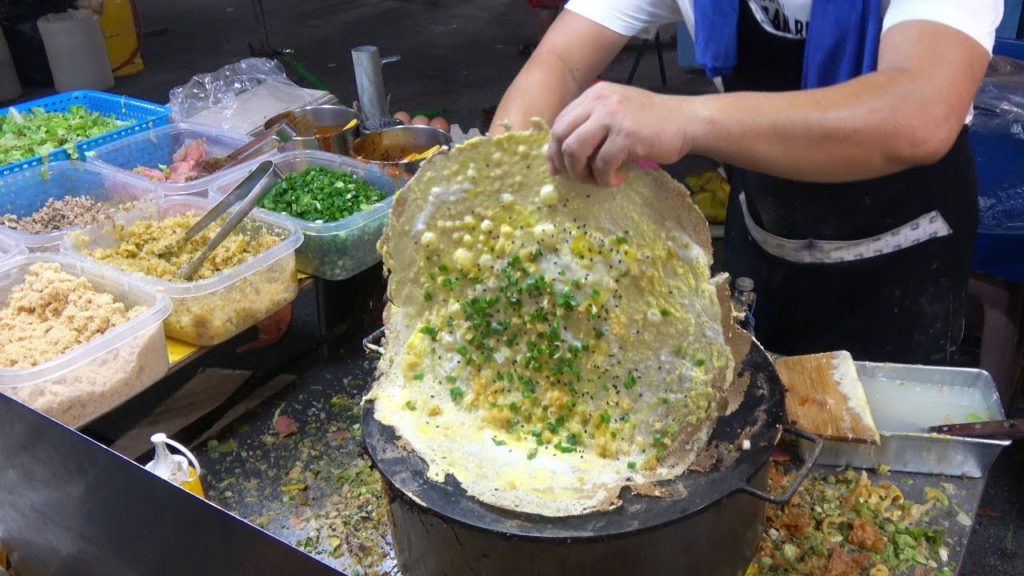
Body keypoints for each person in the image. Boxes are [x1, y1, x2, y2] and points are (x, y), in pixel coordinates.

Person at [490, 0, 1003, 365]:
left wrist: (684, 120)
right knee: (761, 430)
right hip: (766, 236)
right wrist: (500, 200)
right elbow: (559, 62)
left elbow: (918, 113)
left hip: (901, 261)